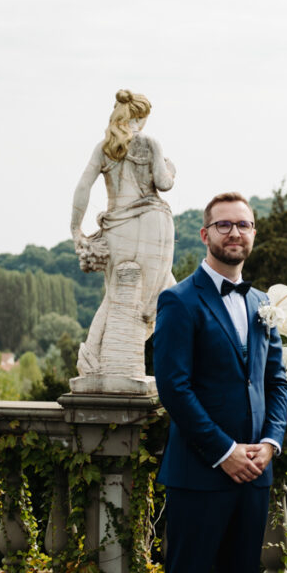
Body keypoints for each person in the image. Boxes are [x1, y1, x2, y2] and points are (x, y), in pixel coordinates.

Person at [153, 191, 287, 573]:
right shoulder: (180, 301)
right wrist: (224, 451)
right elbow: (175, 388)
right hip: (199, 472)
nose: (235, 233)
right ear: (205, 234)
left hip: (256, 471)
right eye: (224, 225)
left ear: (253, 234)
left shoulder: (262, 303)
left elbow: (277, 382)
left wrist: (269, 444)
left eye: (244, 225)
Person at [71, 89, 175, 381]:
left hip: (119, 225)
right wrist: (171, 169)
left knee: (121, 293)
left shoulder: (105, 147)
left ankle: (93, 357)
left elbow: (83, 187)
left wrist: (76, 228)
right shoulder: (149, 143)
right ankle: (99, 358)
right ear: (140, 117)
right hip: (153, 222)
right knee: (160, 292)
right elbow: (164, 183)